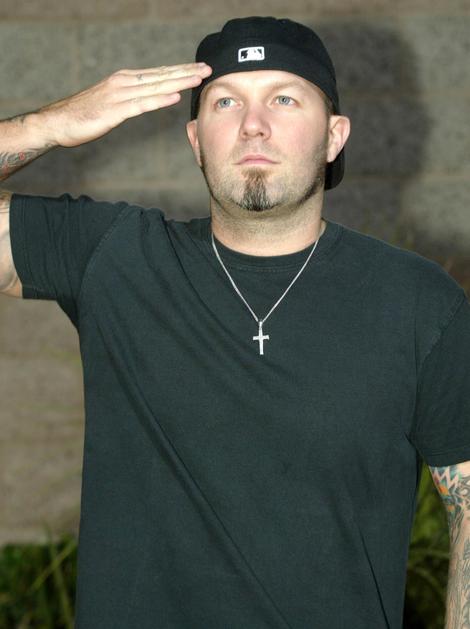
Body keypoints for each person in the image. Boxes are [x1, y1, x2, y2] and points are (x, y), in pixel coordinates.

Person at [0, 15, 469, 629]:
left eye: (284, 98)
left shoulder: (418, 302)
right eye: (226, 101)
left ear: (334, 137)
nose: (253, 123)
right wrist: (47, 126)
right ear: (196, 140)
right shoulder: (115, 258)